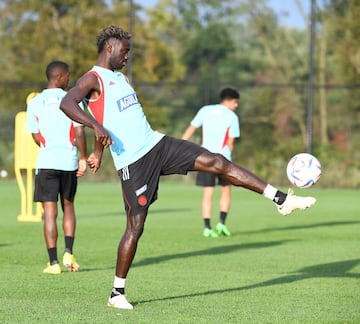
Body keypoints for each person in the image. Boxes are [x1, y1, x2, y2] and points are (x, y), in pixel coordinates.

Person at [60, 24, 316, 309]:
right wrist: (95, 130)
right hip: (134, 163)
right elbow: (67, 102)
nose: (127, 56)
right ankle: (117, 293)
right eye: (125, 50)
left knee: (218, 161)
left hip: (158, 144)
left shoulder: (122, 79)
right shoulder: (91, 79)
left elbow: (105, 124)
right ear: (110, 47)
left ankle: (281, 199)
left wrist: (98, 149)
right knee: (136, 225)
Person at [26, 61, 87, 274]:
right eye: (68, 75)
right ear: (60, 76)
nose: (69, 78)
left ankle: (53, 264)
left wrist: (48, 147)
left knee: (49, 213)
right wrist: (83, 157)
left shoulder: (35, 102)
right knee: (68, 207)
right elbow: (79, 132)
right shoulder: (73, 100)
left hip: (46, 163)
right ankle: (68, 253)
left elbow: (35, 136)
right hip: (68, 162)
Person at [182, 88, 240, 238]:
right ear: (229, 101)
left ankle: (207, 228)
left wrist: (181, 147)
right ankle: (222, 224)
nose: (236, 105)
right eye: (235, 102)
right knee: (226, 191)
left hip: (205, 158)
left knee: (208, 193)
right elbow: (230, 143)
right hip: (224, 160)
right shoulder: (232, 117)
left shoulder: (205, 110)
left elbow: (190, 130)